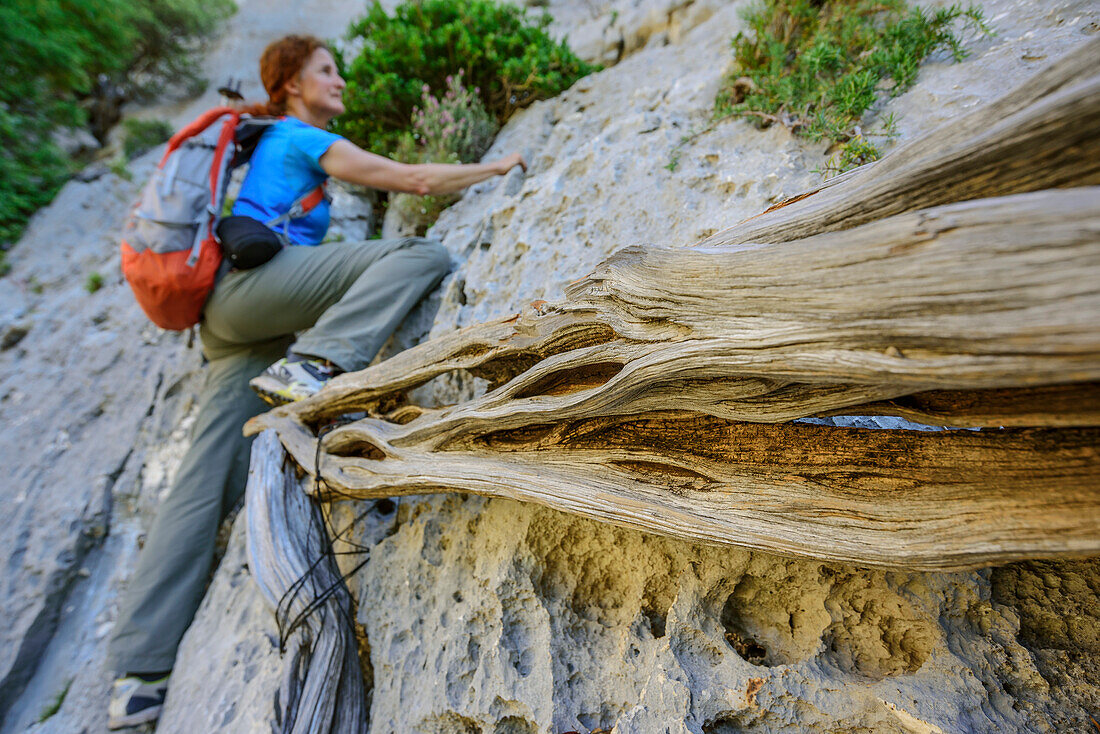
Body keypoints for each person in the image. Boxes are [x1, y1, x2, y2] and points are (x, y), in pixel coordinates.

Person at [106, 34, 526, 729]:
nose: (340, 82)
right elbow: (411, 180)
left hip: (230, 323)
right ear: (292, 86)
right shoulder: (299, 137)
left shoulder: (258, 150)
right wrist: (494, 166)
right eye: (326, 72)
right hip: (252, 297)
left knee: (201, 481)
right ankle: (317, 363)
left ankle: (139, 675)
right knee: (419, 250)